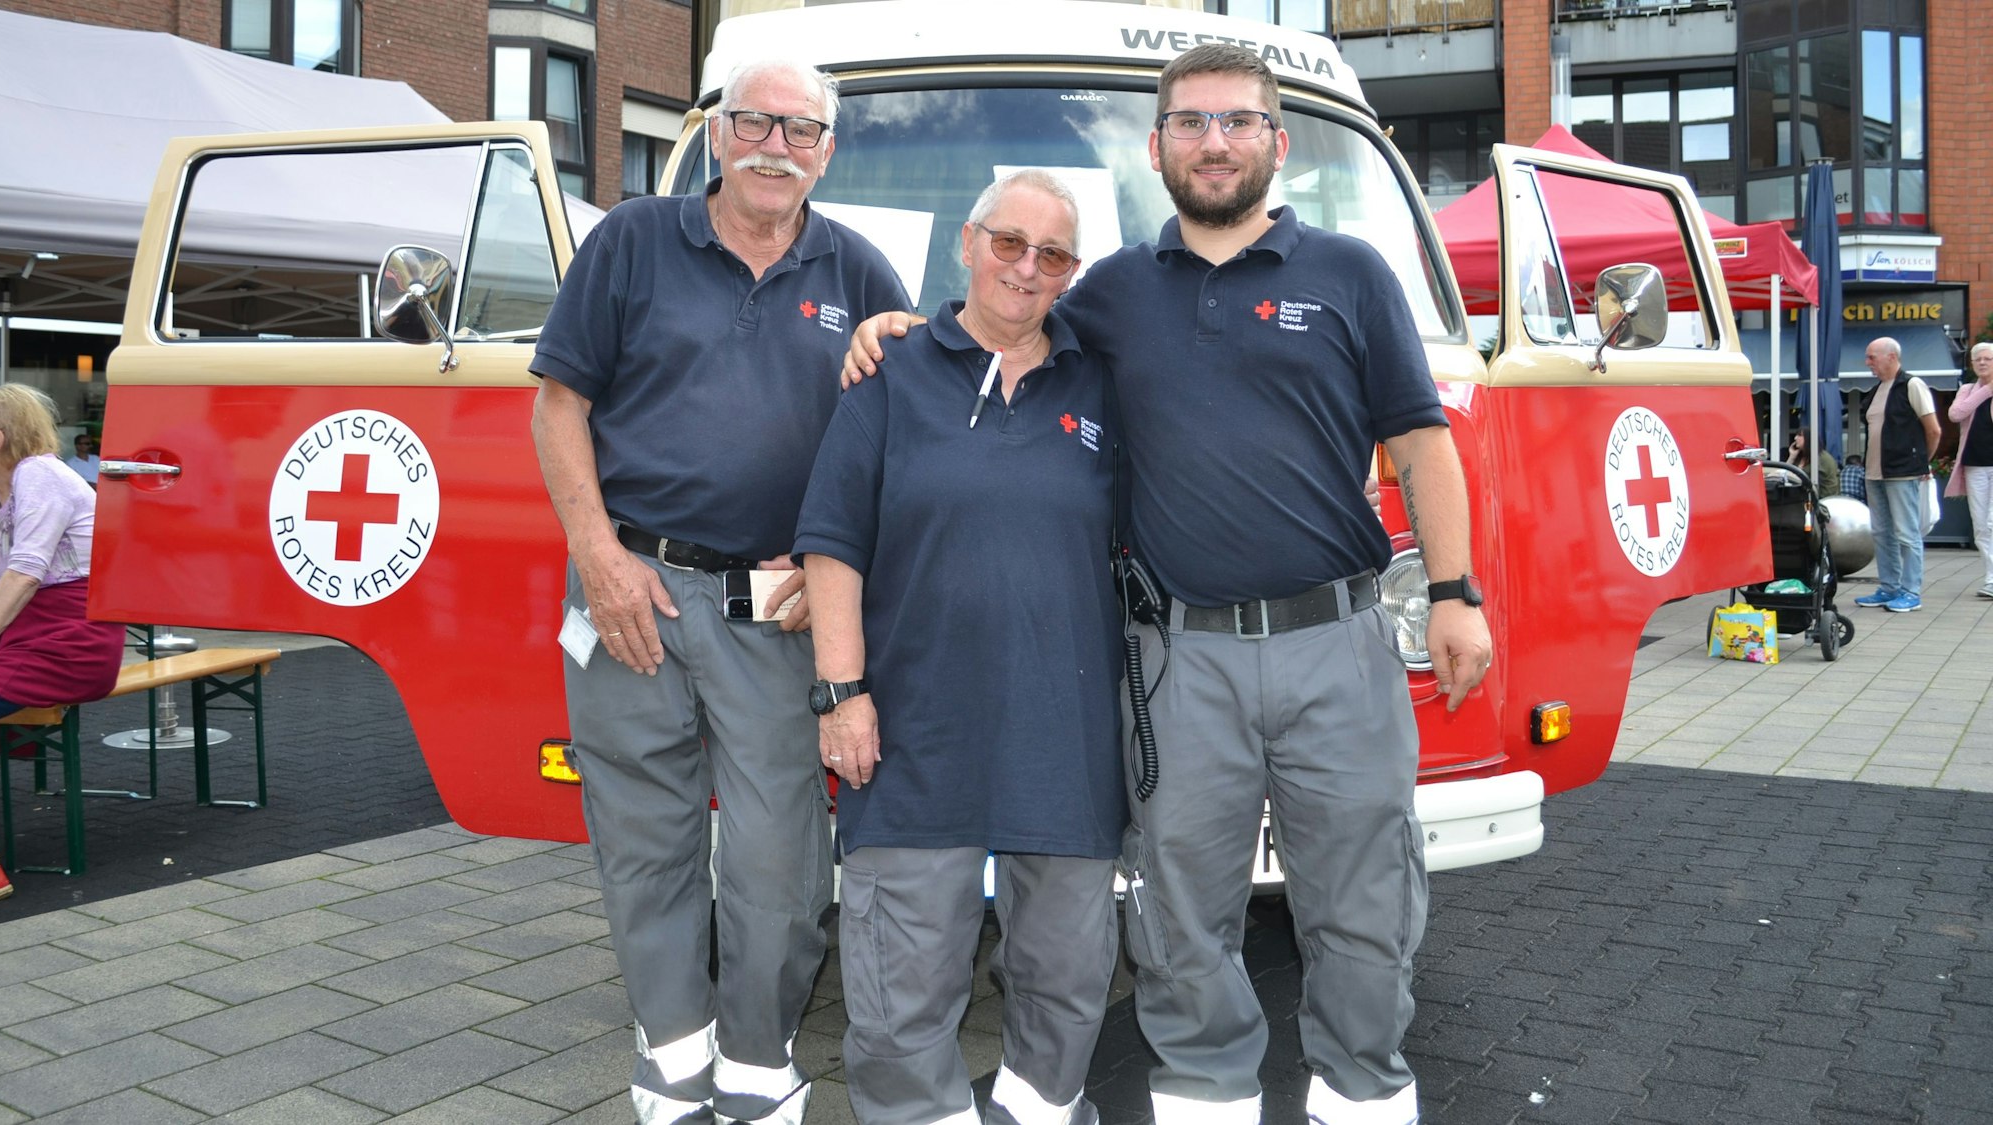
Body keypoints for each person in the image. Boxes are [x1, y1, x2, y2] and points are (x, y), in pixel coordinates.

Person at [849, 43, 1491, 1125]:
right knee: (1182, 916)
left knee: (1364, 906)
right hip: (1177, 658)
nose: (1213, 142)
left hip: (1335, 643)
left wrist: (1455, 593)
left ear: (1275, 143)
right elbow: (1004, 326)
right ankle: (1206, 1097)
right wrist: (903, 332)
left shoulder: (1350, 275)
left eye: (1236, 122)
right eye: (1190, 123)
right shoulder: (1108, 294)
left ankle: (1364, 1095)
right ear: (1156, 148)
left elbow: (1422, 444)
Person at [528, 59, 909, 1125]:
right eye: (753, 123)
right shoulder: (632, 241)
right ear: (715, 133)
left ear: (825, 152)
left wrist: (838, 568)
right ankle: (673, 1055)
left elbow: (906, 441)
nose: (773, 146)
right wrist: (598, 556)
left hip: (775, 611)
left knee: (781, 855)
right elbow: (558, 407)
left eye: (798, 131)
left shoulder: (859, 272)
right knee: (642, 840)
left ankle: (756, 1055)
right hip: (629, 590)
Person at [797, 169, 1122, 1125]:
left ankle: (1039, 1111)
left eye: (1052, 254)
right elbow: (832, 542)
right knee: (902, 998)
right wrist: (841, 691)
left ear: (1072, 273)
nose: (1026, 268)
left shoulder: (1104, 384)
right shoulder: (888, 374)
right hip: (912, 736)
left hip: (1064, 738)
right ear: (967, 246)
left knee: (1066, 976)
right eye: (1008, 243)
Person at [0, 385, 128, 909]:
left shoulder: (39, 474)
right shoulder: (5, 489)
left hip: (72, 639)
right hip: (34, 635)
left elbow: (24, 575)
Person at [1852, 337, 1940, 613]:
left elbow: (1934, 430)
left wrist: (1922, 463)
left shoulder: (1912, 385)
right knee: (1881, 532)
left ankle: (1911, 592)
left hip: (1902, 471)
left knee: (1906, 532)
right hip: (1874, 472)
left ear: (1891, 357)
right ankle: (1889, 587)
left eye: (1871, 357)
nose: (1868, 363)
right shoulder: (1878, 389)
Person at [1947, 341, 1993, 598]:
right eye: (1979, 360)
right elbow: (1956, 414)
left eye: (1988, 358)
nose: (1983, 363)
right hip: (1975, 466)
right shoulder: (1967, 390)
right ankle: (1990, 576)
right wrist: (1985, 391)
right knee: (1980, 525)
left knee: (1992, 521)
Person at [1786, 429, 1840, 496]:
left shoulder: (1823, 458)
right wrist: (1791, 457)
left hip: (1821, 500)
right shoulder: (1799, 456)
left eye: (1800, 435)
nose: (1795, 438)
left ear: (1808, 438)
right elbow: (1784, 474)